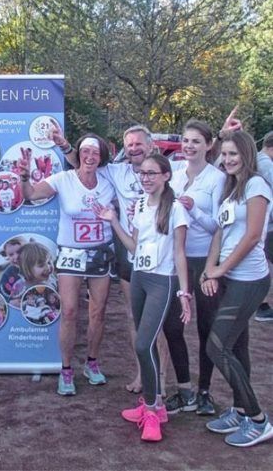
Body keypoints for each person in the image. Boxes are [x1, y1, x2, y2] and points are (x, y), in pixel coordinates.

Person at [58, 123, 172, 395]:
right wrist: (65, 146)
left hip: (161, 255)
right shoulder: (116, 171)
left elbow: (195, 167)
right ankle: (143, 375)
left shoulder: (169, 169)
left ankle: (162, 382)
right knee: (134, 317)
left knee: (159, 323)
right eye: (129, 144)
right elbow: (83, 162)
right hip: (130, 252)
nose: (134, 149)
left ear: (151, 145)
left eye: (139, 143)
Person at [94, 153, 191, 442]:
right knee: (144, 343)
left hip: (163, 281)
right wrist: (113, 221)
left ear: (166, 176)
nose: (145, 178)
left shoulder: (176, 208)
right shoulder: (138, 204)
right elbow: (134, 246)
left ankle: (151, 412)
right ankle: (155, 405)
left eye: (152, 173)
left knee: (143, 343)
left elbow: (180, 253)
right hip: (138, 278)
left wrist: (184, 292)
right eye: (143, 173)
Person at [20, 134, 115, 396]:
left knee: (98, 312)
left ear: (101, 157)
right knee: (70, 311)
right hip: (71, 253)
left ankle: (92, 363)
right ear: (78, 155)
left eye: (95, 153)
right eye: (85, 151)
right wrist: (24, 177)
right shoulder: (63, 179)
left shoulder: (109, 180)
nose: (90, 157)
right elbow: (31, 194)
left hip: (100, 252)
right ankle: (66, 369)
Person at [201, 130, 273, 447]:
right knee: (237, 346)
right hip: (230, 278)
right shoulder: (231, 188)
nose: (228, 159)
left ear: (247, 154)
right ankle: (241, 410)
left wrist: (221, 269)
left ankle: (258, 420)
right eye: (225, 154)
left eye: (234, 154)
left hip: (249, 280)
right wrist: (210, 269)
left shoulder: (257, 185)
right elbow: (220, 233)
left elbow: (253, 235)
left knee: (216, 347)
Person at [163, 120, 226, 416]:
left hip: (204, 260)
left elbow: (218, 227)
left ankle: (204, 391)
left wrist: (194, 209)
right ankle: (184, 388)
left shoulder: (217, 178)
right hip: (175, 259)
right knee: (173, 326)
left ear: (208, 145)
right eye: (186, 141)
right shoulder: (174, 174)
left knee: (206, 326)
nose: (189, 146)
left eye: (196, 141)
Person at [254, 130, 273, 322]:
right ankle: (261, 306)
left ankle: (261, 305)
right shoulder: (266, 165)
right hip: (267, 226)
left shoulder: (257, 160)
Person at [0, 237, 26, 305]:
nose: (16, 257)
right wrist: (9, 301)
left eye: (19, 252)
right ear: (7, 256)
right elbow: (0, 292)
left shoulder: (34, 267)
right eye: (11, 254)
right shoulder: (9, 272)